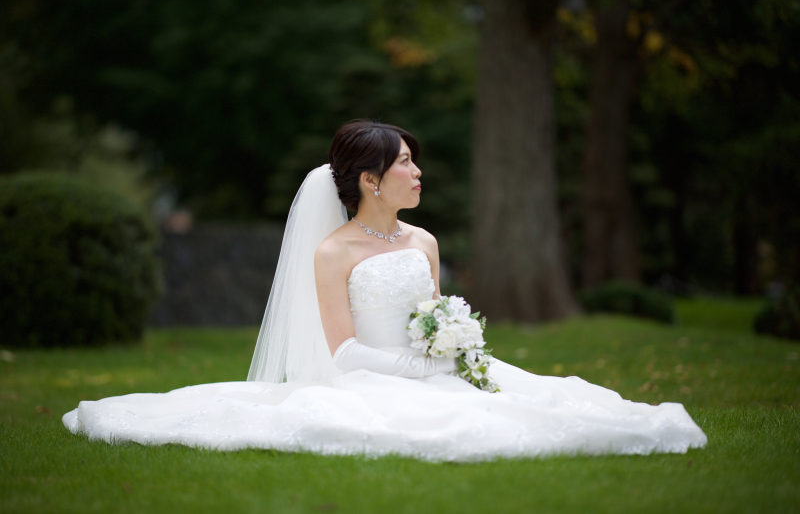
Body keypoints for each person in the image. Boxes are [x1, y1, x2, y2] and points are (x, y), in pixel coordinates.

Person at [63, 120, 707, 462]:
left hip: (440, 368)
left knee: (550, 405)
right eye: (404, 162)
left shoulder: (423, 242)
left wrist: (452, 347)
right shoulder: (332, 252)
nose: (416, 171)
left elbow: (431, 314)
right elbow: (341, 352)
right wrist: (412, 367)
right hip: (374, 378)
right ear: (370, 180)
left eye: (412, 160)